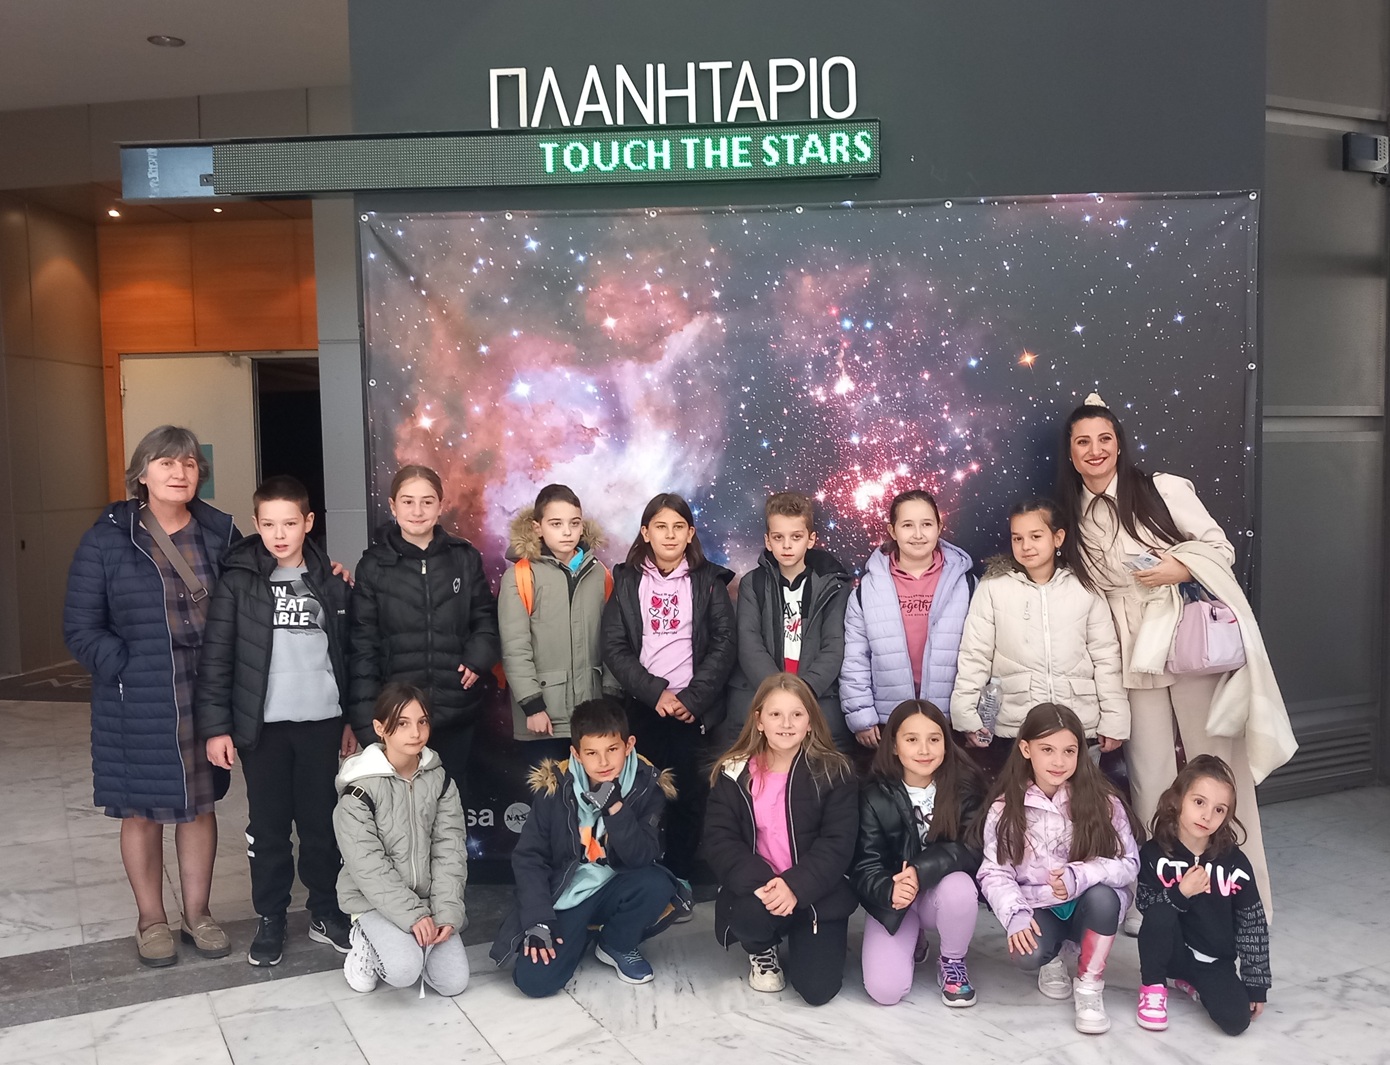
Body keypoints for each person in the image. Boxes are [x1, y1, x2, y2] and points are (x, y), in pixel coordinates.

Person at [1055, 393, 1271, 925]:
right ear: (1071, 452)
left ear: (1119, 444)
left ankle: (1247, 899)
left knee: (1218, 768)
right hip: (1129, 651)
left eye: (1105, 439)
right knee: (1149, 778)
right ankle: (1159, 900)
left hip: (1185, 637)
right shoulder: (1070, 513)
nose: (1095, 450)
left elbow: (1221, 548)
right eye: (1083, 442)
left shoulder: (1162, 489)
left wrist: (1182, 568)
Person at [63, 425, 237, 968]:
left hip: (203, 689)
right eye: (166, 463)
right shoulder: (108, 539)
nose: (179, 473)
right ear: (142, 473)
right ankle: (151, 920)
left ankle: (198, 914)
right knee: (141, 811)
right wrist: (127, 668)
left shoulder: (220, 533)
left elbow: (260, 588)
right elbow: (80, 628)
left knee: (198, 807)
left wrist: (326, 571)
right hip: (136, 696)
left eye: (188, 463)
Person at [195, 474, 357, 966]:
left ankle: (325, 911)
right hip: (262, 729)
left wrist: (352, 719)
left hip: (321, 722)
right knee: (267, 829)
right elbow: (217, 659)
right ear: (256, 524)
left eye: (289, 523)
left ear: (308, 522)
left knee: (320, 824)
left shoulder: (332, 581)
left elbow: (351, 655)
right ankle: (271, 916)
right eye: (268, 524)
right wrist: (217, 728)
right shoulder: (239, 581)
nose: (279, 534)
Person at [489, 697, 691, 996]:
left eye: (612, 750)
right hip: (566, 893)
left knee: (657, 883)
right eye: (592, 753)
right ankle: (579, 933)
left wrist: (615, 809)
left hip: (616, 885)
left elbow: (641, 857)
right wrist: (538, 919)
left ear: (629, 745)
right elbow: (529, 857)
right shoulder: (555, 788)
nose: (604, 762)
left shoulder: (647, 786)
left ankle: (616, 943)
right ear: (576, 754)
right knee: (535, 983)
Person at [973, 702, 1142, 1035]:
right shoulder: (1006, 808)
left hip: (1087, 906)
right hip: (1039, 906)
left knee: (1104, 898)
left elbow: (1129, 863)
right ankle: (1051, 960)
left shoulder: (1103, 801)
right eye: (1047, 749)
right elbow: (995, 872)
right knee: (1027, 953)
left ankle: (1089, 984)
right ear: (1026, 749)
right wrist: (1015, 915)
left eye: (1069, 751)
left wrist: (1080, 876)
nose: (1059, 761)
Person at [602, 492, 737, 881]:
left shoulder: (709, 580)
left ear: (690, 533)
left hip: (691, 712)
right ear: (646, 532)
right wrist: (654, 693)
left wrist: (692, 699)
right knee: (636, 796)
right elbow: (613, 645)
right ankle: (637, 881)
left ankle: (678, 879)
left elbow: (725, 644)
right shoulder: (628, 580)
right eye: (661, 527)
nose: (670, 535)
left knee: (687, 798)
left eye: (679, 527)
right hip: (644, 707)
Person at [704, 673, 859, 1006]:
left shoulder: (834, 771)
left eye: (797, 714)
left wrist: (795, 886)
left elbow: (838, 842)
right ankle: (761, 948)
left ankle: (809, 938)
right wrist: (765, 884)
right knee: (749, 916)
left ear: (810, 722)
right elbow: (719, 839)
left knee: (817, 991)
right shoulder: (733, 771)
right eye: (775, 714)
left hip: (815, 892)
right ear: (759, 721)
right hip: (760, 890)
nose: (786, 724)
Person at [349, 464, 500, 804]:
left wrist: (478, 657)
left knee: (450, 805)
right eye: (408, 502)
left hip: (454, 709)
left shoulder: (463, 558)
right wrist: (366, 724)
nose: (417, 511)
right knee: (401, 809)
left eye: (427, 502)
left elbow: (485, 619)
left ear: (441, 505)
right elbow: (362, 646)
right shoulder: (373, 566)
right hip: (398, 717)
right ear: (393, 506)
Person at [951, 498, 1129, 749]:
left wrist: (1114, 720)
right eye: (1017, 538)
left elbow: (1106, 657)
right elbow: (974, 655)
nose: (1026, 546)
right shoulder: (993, 588)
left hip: (1077, 724)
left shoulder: (1085, 587)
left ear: (1057, 538)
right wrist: (966, 714)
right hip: (1016, 726)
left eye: (1036, 536)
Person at [334, 683, 470, 997]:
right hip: (373, 901)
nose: (416, 733)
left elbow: (450, 850)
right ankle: (366, 938)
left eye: (422, 722)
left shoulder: (440, 780)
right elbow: (367, 866)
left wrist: (446, 911)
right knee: (403, 972)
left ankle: (410, 944)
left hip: (428, 900)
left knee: (453, 983)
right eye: (403, 723)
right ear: (380, 728)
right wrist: (412, 915)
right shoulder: (359, 790)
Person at [853, 699, 985, 1007]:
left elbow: (973, 848)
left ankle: (952, 962)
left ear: (946, 744)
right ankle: (914, 939)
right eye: (912, 740)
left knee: (959, 888)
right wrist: (888, 889)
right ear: (894, 746)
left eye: (934, 739)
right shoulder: (873, 795)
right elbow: (863, 865)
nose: (924, 750)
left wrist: (918, 871)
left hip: (941, 893)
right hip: (896, 902)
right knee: (885, 992)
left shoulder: (965, 787)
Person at [1135, 755, 1269, 1035]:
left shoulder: (1234, 863)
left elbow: (1252, 924)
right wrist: (1180, 893)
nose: (1208, 816)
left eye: (1219, 809)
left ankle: (1191, 982)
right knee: (1158, 915)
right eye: (1199, 802)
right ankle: (1153, 988)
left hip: (1213, 961)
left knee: (1236, 1021)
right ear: (1177, 800)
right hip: (1171, 953)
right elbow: (1147, 909)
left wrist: (1255, 983)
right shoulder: (1154, 854)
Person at [841, 489, 974, 749]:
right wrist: (861, 716)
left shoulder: (966, 585)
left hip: (948, 719)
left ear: (940, 527)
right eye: (907, 525)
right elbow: (856, 657)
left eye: (927, 524)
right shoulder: (867, 591)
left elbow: (981, 656)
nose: (918, 534)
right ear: (892, 531)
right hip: (888, 720)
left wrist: (972, 716)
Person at [726, 491, 852, 752]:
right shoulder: (752, 583)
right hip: (762, 694)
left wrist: (802, 693)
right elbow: (749, 643)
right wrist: (777, 694)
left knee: (820, 767)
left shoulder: (834, 586)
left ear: (810, 539)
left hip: (816, 697)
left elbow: (834, 646)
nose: (786, 545)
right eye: (778, 537)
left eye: (796, 537)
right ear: (768, 541)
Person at [499, 483, 613, 763]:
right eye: (556, 523)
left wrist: (611, 696)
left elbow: (612, 639)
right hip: (544, 717)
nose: (567, 532)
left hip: (593, 715)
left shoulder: (600, 574)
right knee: (550, 789)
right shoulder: (521, 576)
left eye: (574, 523)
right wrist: (532, 705)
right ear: (537, 527)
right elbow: (515, 647)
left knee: (594, 787)